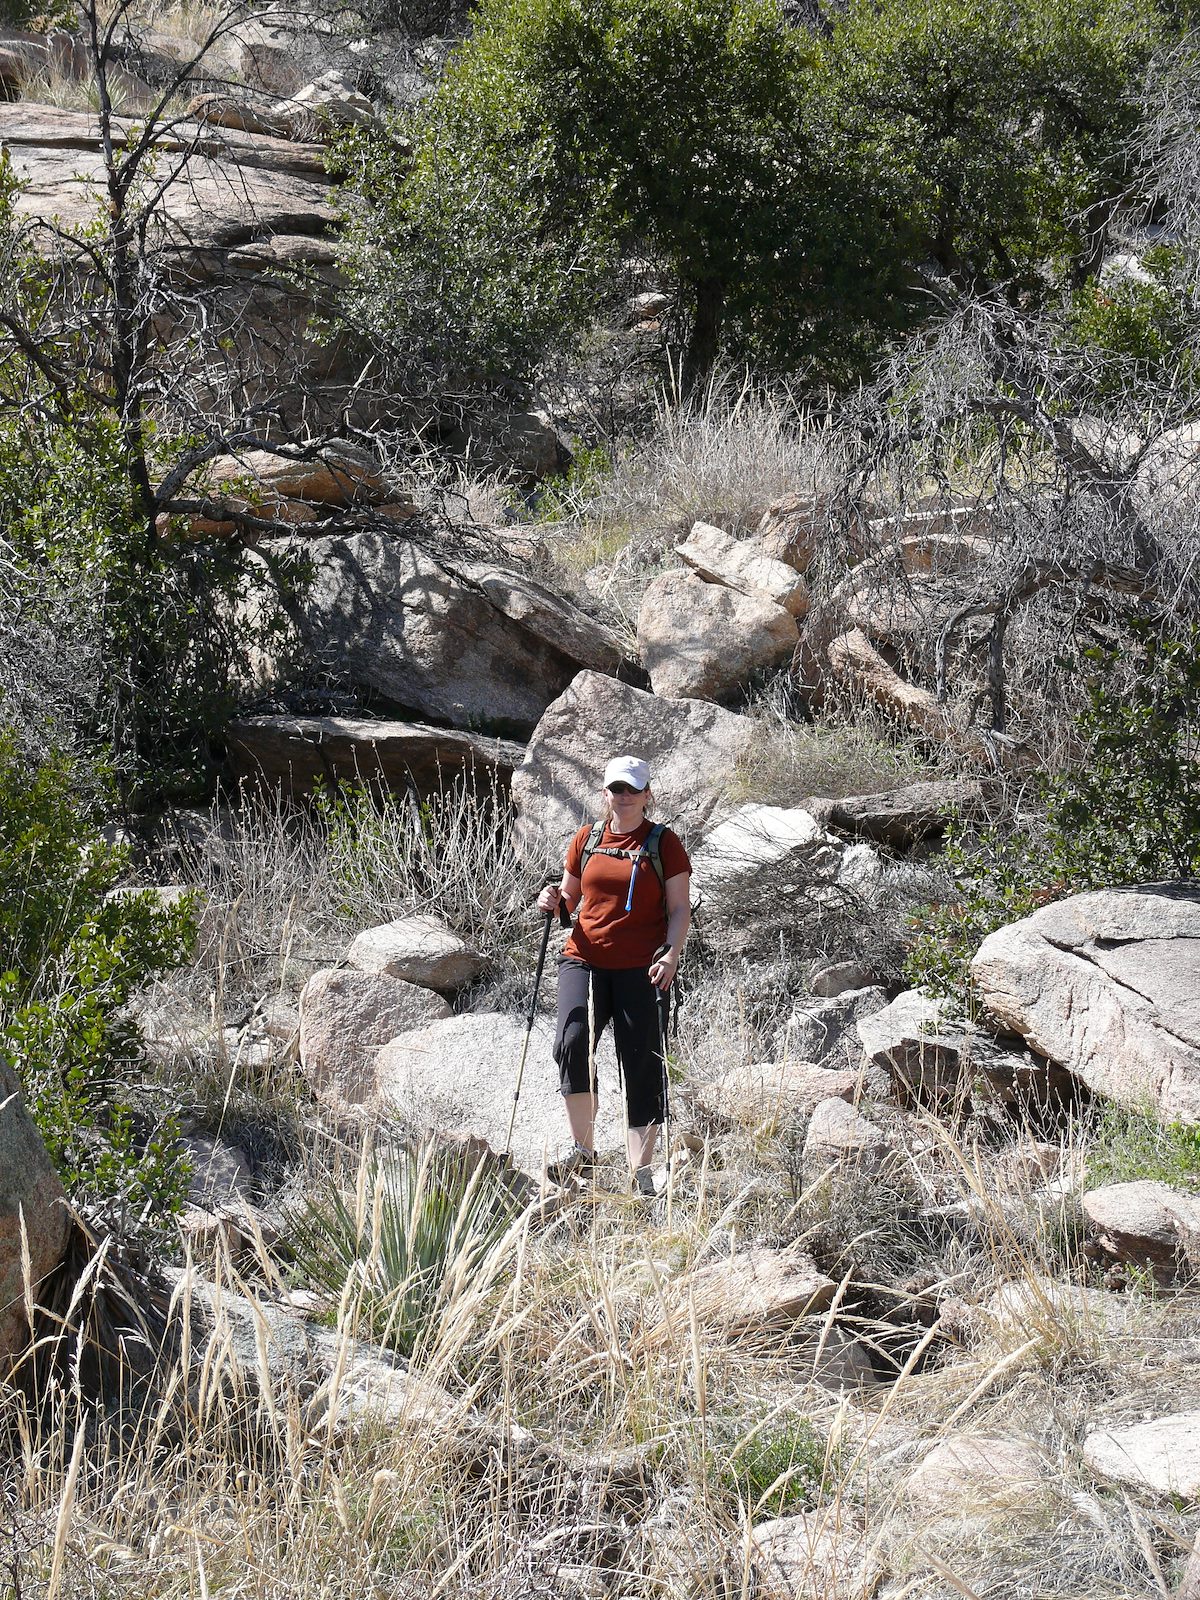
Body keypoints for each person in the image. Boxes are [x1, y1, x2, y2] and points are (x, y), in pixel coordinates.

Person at [536, 755, 691, 1196]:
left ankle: (641, 1173)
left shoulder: (664, 844)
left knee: (641, 1061)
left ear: (647, 795)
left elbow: (680, 909)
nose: (623, 796)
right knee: (571, 1040)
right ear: (605, 793)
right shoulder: (587, 838)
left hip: (641, 966)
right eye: (616, 789)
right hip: (582, 956)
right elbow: (568, 901)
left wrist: (671, 952)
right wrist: (551, 900)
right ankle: (583, 1153)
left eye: (632, 789)